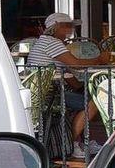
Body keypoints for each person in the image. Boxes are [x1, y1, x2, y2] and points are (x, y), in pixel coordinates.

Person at [26, 13, 98, 158]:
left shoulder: (44, 42)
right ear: (56, 27)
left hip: (43, 93)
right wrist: (100, 59)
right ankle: (70, 143)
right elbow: (76, 64)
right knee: (93, 103)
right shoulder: (52, 43)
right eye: (67, 27)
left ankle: (79, 142)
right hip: (49, 95)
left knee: (84, 97)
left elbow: (68, 75)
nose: (70, 31)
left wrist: (82, 87)